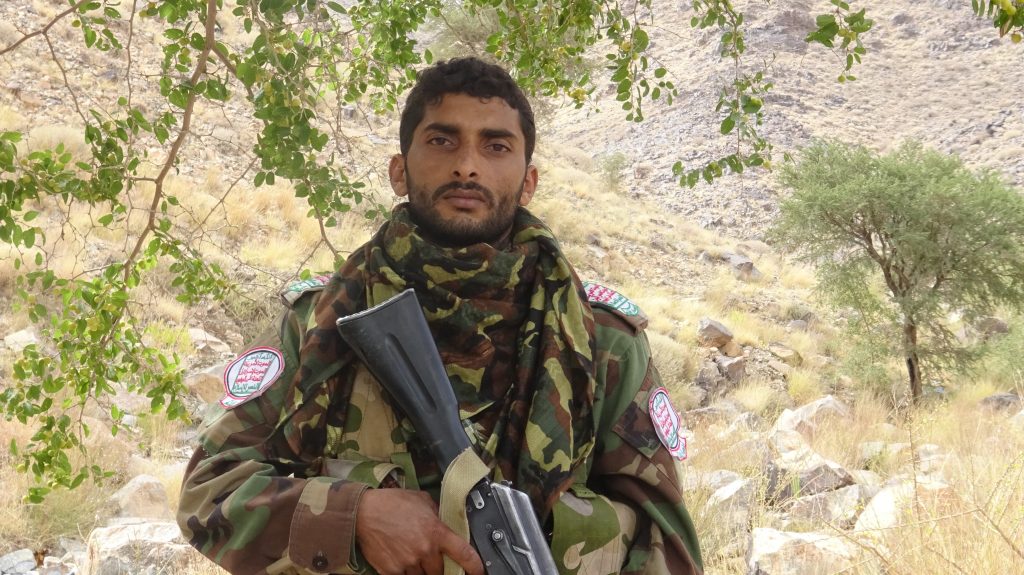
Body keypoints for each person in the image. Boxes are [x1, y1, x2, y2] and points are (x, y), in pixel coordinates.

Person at [177, 57, 703, 575]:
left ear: (528, 182)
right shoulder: (322, 322)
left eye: (496, 146)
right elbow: (209, 491)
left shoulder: (601, 342)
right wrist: (354, 517)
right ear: (399, 171)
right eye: (442, 140)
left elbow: (667, 545)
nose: (467, 166)